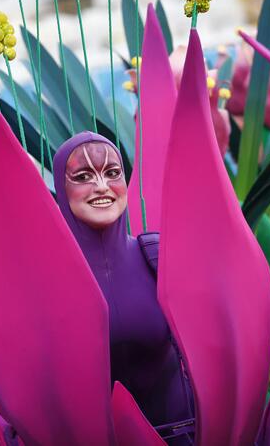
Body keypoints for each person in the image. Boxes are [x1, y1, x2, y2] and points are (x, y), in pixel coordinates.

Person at [52, 132, 194, 444]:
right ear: (62, 190)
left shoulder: (156, 256)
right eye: (84, 176)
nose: (101, 186)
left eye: (112, 173)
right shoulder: (47, 278)